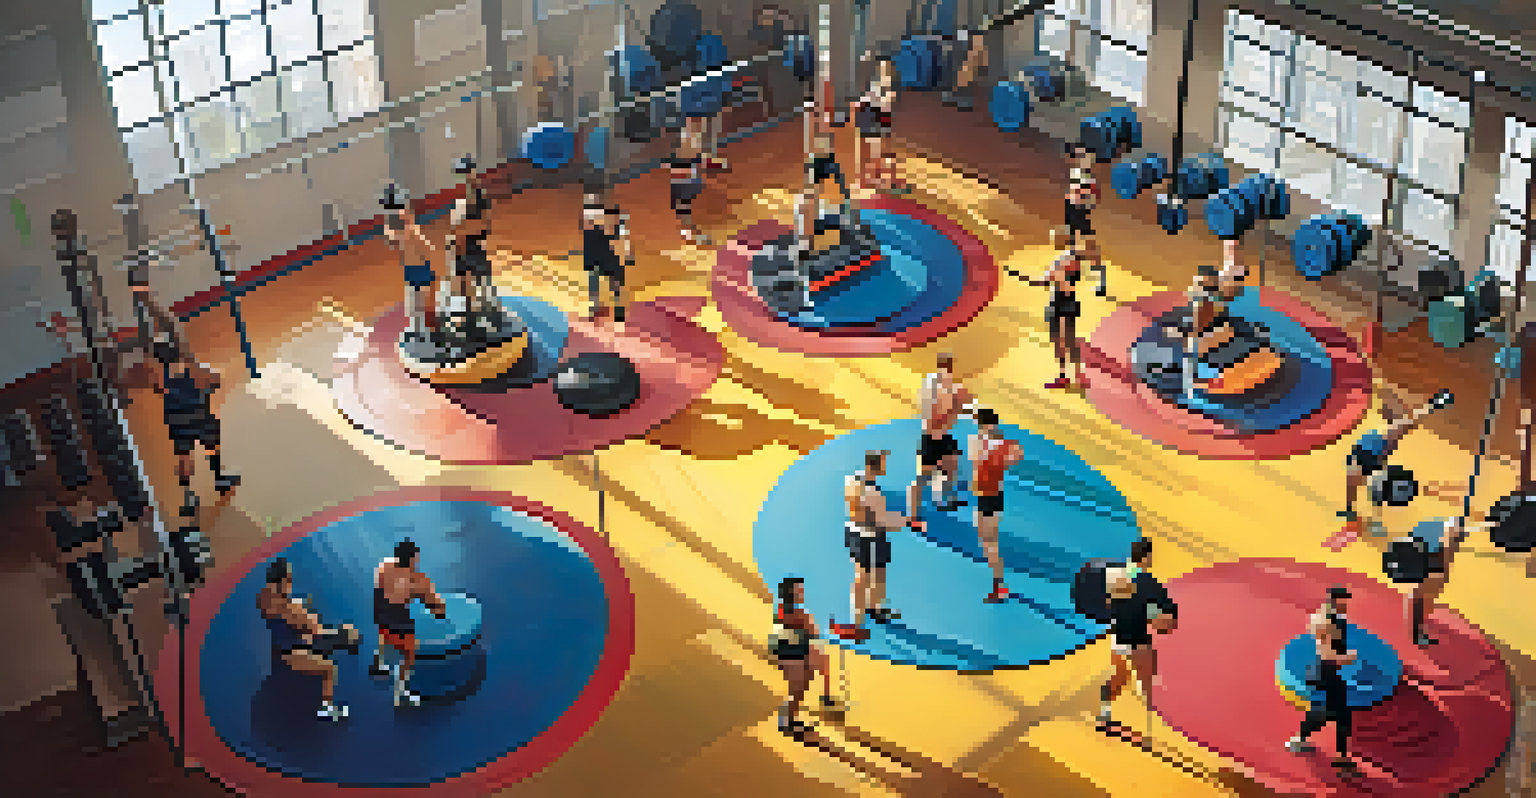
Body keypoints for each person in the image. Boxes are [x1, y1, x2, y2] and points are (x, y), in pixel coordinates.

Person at [1332, 390, 1459, 549]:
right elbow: (1411, 419)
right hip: (1362, 456)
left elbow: (1413, 419)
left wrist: (1433, 405)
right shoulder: (1383, 430)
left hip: (1373, 458)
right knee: (1354, 483)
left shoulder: (1393, 430)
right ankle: (1350, 509)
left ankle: (1374, 520)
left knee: (1377, 491)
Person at [836, 450, 924, 642]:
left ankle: (874, 608)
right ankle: (858, 624)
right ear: (878, 466)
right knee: (866, 577)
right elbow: (883, 521)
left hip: (853, 532)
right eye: (884, 462)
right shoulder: (873, 493)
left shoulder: (851, 480)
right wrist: (908, 521)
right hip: (870, 538)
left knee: (874, 573)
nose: (886, 466)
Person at [257, 558, 358, 721]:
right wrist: (308, 614)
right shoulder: (291, 608)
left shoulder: (263, 597)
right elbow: (316, 631)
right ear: (282, 581)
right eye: (289, 579)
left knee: (340, 634)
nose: (291, 582)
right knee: (330, 668)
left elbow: (281, 616)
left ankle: (347, 640)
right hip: (293, 654)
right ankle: (326, 709)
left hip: (282, 649)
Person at [152, 335, 238, 510]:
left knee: (184, 456)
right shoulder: (191, 368)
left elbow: (160, 389)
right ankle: (219, 479)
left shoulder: (160, 375)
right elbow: (214, 380)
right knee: (212, 446)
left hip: (176, 418)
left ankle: (188, 498)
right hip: (198, 413)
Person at [1098, 539, 1177, 728]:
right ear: (1146, 557)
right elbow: (1170, 613)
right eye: (1150, 557)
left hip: (1118, 638)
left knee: (1118, 677)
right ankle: (1148, 729)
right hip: (1138, 640)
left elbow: (1108, 605)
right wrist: (1156, 617)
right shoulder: (1150, 583)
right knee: (1147, 683)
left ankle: (1104, 714)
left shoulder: (1117, 577)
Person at [1286, 585, 1360, 779]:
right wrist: (1347, 657)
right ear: (1336, 601)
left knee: (1330, 712)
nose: (1347, 604)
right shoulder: (1332, 621)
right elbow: (1327, 652)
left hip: (1324, 672)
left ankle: (1301, 739)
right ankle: (1341, 760)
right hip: (1327, 673)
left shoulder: (1325, 617)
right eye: (1344, 600)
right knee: (1338, 714)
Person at [371, 540, 447, 708]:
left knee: (384, 631)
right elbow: (438, 608)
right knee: (410, 653)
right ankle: (401, 694)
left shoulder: (384, 566)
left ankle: (379, 661)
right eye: (416, 558)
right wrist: (437, 606)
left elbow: (381, 590)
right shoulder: (417, 581)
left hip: (380, 612)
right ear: (412, 559)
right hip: (397, 618)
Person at [907, 352, 973, 521]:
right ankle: (912, 515)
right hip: (931, 438)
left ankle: (945, 497)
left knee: (951, 465)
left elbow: (950, 415)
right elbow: (939, 414)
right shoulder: (934, 385)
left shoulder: (945, 384)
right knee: (922, 477)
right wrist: (956, 402)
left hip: (942, 435)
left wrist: (957, 403)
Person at [771, 576, 839, 737]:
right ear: (791, 593)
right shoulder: (795, 613)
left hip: (793, 654)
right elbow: (811, 632)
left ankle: (790, 720)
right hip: (794, 656)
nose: (802, 592)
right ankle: (786, 722)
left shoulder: (784, 611)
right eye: (798, 590)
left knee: (799, 689)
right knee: (797, 690)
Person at [970, 408, 1025, 603]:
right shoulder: (1002, 444)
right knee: (991, 542)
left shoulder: (978, 441)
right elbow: (1017, 455)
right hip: (996, 495)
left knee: (988, 543)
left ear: (982, 424)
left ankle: (999, 586)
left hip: (985, 496)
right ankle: (1000, 585)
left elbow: (975, 461)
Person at [381, 184, 438, 340]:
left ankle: (420, 327)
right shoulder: (407, 225)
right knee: (425, 298)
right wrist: (430, 252)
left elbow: (395, 241)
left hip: (411, 266)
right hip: (419, 266)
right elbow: (421, 245)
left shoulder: (393, 227)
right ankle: (428, 328)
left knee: (416, 298)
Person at [447, 157, 498, 330]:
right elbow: (458, 223)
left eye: (466, 172)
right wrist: (454, 237)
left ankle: (488, 315)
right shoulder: (463, 197)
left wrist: (462, 231)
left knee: (481, 282)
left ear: (473, 172)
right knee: (463, 283)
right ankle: (467, 316)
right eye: (461, 174)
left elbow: (484, 225)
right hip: (462, 247)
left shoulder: (479, 196)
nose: (463, 177)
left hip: (473, 246)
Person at [1026, 248, 1087, 389]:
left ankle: (1077, 376)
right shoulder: (1063, 268)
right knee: (1060, 343)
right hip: (1057, 306)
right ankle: (1067, 376)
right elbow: (1046, 280)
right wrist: (1042, 279)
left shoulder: (1069, 274)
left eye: (1068, 260)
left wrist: (1053, 275)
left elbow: (1060, 284)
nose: (1062, 261)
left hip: (1064, 307)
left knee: (1067, 341)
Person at [1055, 143, 1106, 297]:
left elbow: (1093, 200)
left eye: (1085, 156)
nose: (1081, 159)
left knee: (1089, 248)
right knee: (1072, 247)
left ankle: (1101, 280)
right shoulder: (1076, 173)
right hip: (1071, 213)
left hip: (1081, 215)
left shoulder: (1089, 179)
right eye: (1079, 156)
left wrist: (1084, 200)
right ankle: (1070, 277)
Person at [852, 55, 903, 194]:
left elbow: (886, 103)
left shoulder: (890, 86)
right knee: (873, 148)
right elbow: (872, 99)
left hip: (879, 117)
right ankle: (871, 177)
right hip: (870, 116)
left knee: (878, 148)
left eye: (886, 68)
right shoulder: (875, 84)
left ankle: (876, 176)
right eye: (881, 68)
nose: (884, 71)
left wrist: (883, 100)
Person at [581, 192, 631, 322]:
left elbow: (614, 234)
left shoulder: (603, 217)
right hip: (596, 253)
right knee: (597, 278)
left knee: (612, 280)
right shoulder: (592, 217)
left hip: (603, 253)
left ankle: (616, 307)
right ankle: (600, 306)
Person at [668, 147, 707, 244]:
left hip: (686, 185)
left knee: (686, 209)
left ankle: (688, 232)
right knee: (684, 210)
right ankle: (687, 232)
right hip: (682, 187)